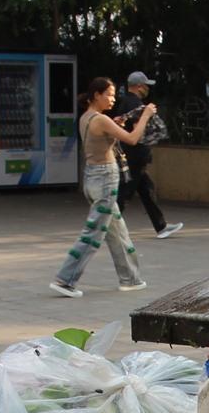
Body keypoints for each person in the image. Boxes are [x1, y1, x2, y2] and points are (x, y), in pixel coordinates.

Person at [52, 76, 152, 298]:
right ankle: (65, 279)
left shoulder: (88, 118)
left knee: (117, 231)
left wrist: (114, 125)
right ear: (96, 95)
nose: (112, 99)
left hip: (92, 177)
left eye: (114, 95)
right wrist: (145, 116)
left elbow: (101, 141)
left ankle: (131, 279)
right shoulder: (100, 119)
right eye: (109, 94)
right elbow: (133, 139)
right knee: (94, 232)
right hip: (105, 180)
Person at [113, 70, 183, 240]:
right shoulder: (135, 103)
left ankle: (161, 227)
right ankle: (107, 225)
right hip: (135, 154)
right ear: (138, 86)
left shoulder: (126, 101)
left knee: (146, 189)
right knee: (125, 192)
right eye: (145, 85)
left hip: (132, 153)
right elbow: (139, 129)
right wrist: (148, 116)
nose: (147, 89)